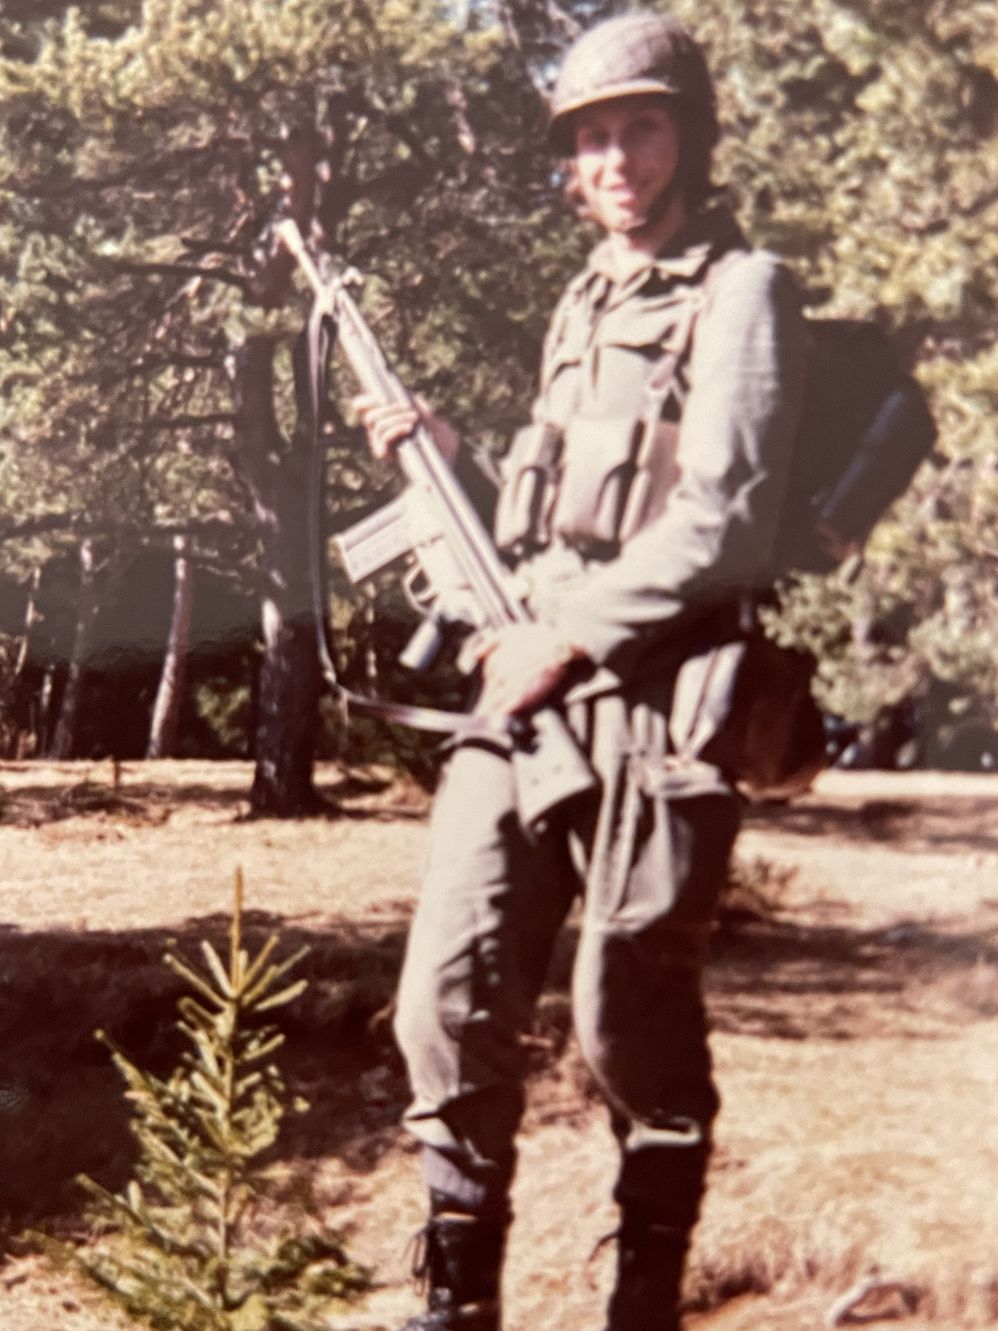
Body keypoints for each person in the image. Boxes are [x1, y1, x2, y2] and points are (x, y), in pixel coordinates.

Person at [356, 11, 807, 1330]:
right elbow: (562, 514)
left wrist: (569, 637)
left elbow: (724, 518)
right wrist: (457, 458)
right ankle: (458, 1305)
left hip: (657, 709)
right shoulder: (585, 297)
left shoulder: (743, 291)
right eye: (592, 136)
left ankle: (644, 1301)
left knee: (627, 1023)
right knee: (442, 1001)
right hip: (527, 689)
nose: (614, 159)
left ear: (690, 138)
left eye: (639, 129)